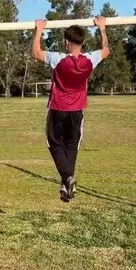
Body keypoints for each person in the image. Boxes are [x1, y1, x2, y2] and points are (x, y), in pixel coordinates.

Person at [30, 16, 108, 202]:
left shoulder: (58, 59)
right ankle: (67, 186)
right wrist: (102, 28)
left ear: (67, 42)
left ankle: (67, 179)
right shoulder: (90, 60)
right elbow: (106, 50)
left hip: (58, 109)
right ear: (82, 41)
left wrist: (39, 29)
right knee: (72, 145)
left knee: (55, 144)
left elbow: (35, 52)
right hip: (77, 111)